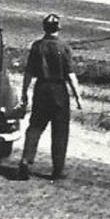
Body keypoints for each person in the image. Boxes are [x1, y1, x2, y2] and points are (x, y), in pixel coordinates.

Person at [16, 13, 82, 181]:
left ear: (44, 28)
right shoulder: (64, 48)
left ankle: (26, 160)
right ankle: (57, 170)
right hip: (59, 90)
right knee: (60, 131)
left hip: (41, 89)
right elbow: (70, 75)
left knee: (35, 127)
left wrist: (24, 93)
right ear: (58, 28)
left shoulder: (37, 46)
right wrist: (78, 97)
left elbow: (29, 72)